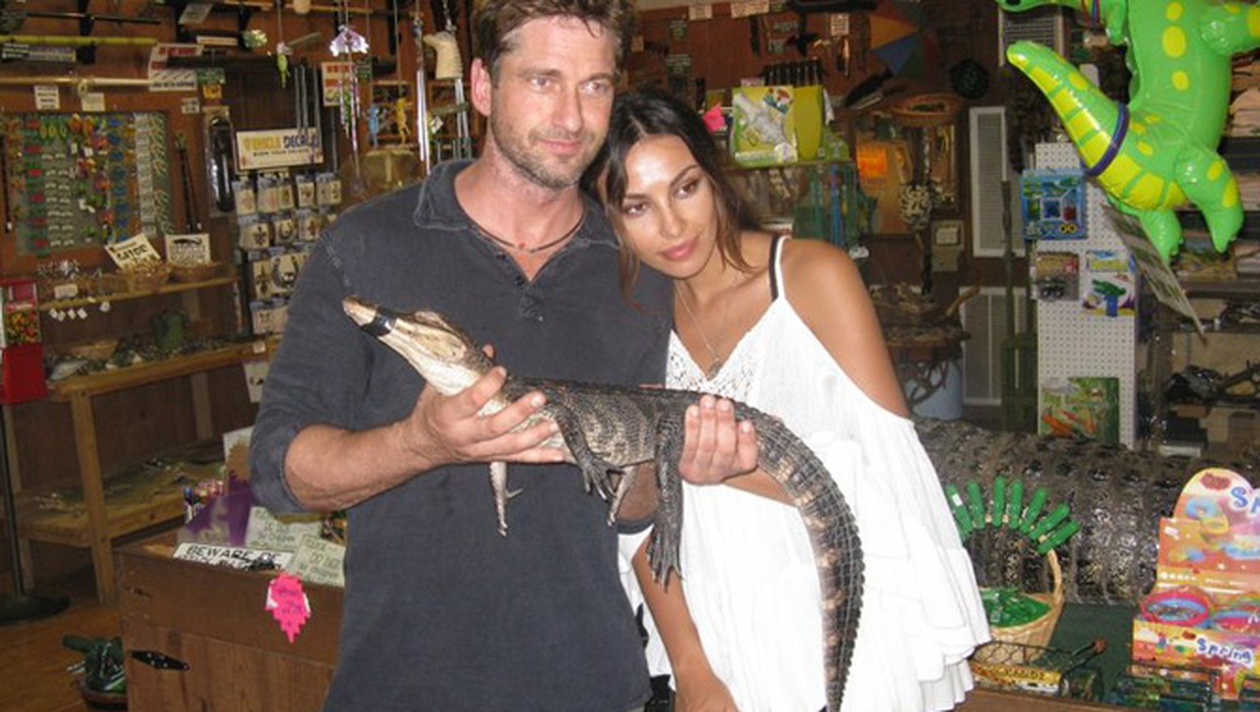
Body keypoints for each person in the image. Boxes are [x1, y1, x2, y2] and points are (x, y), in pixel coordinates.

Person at [249, 5, 755, 711]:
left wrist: (663, 456)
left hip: (591, 687)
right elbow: (278, 472)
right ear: (483, 86)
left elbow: (632, 517)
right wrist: (419, 443)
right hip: (403, 689)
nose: (572, 117)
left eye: (595, 86)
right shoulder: (366, 248)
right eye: (543, 80)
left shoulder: (640, 272)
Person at [596, 87, 990, 712]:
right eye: (637, 207)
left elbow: (898, 482)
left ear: (714, 176)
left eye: (685, 188)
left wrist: (741, 466)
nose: (671, 226)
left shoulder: (812, 277)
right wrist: (693, 672)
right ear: (610, 220)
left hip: (845, 637)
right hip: (721, 640)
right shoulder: (633, 319)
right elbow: (639, 518)